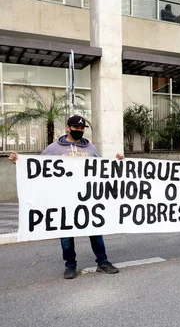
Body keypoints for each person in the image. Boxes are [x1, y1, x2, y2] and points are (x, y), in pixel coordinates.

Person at [8, 115, 122, 279]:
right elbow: (38, 167)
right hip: (63, 199)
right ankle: (70, 265)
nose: (80, 130)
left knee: (96, 230)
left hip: (87, 198)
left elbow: (102, 168)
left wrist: (117, 163)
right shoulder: (54, 148)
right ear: (67, 128)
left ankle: (103, 262)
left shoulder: (89, 148)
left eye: (82, 128)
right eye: (76, 127)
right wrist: (18, 162)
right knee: (66, 233)